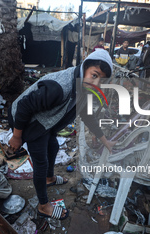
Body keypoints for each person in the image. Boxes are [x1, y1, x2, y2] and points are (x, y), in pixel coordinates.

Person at [8, 50, 116, 220]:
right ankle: (43, 206)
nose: (96, 82)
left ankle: (49, 178)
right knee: (40, 162)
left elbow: (88, 116)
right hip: (29, 122)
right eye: (94, 75)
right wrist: (16, 136)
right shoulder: (60, 87)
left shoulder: (84, 88)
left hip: (46, 123)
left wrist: (105, 141)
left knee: (53, 146)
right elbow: (23, 106)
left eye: (101, 80)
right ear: (85, 67)